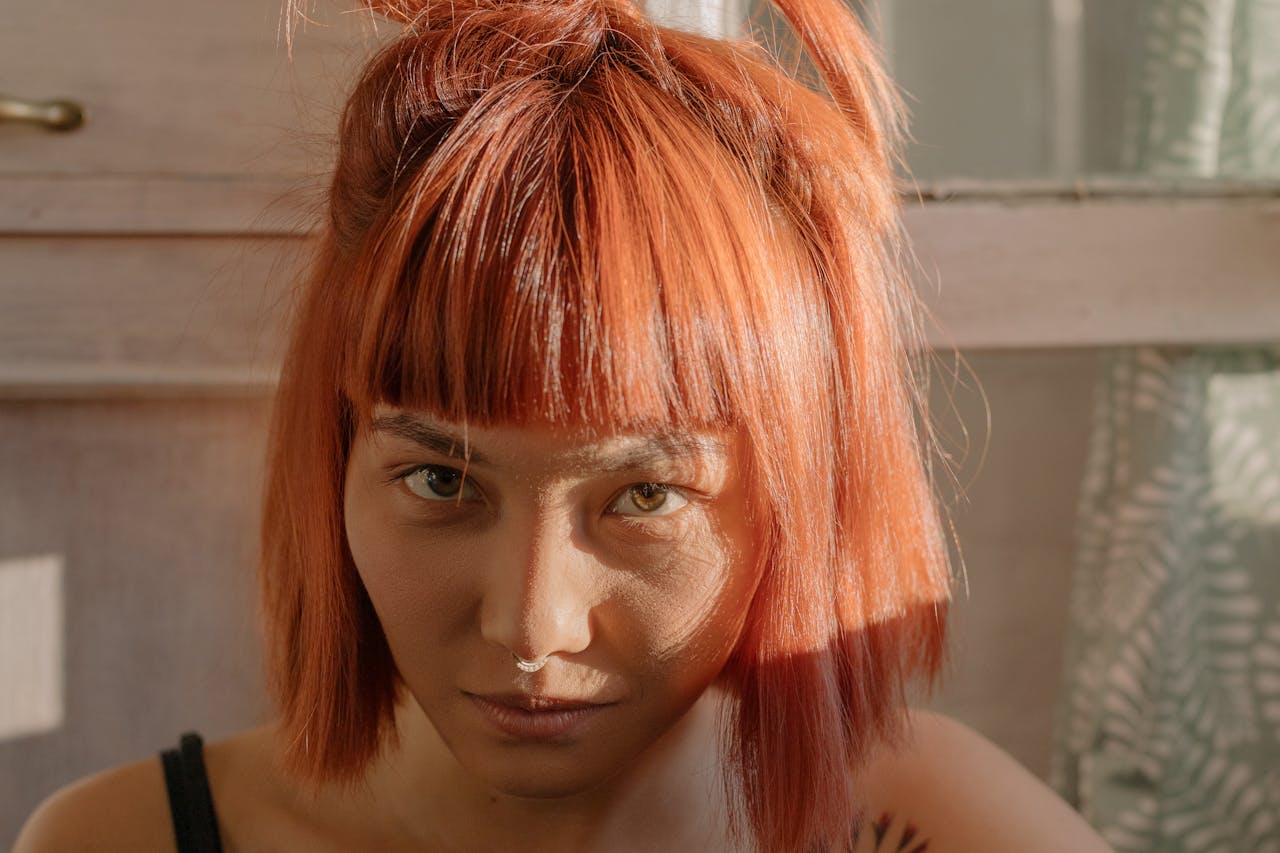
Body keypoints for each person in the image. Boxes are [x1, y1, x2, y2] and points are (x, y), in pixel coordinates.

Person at [15, 0, 1114, 850]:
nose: (532, 629)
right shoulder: (125, 840)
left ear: (795, 491)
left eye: (642, 494)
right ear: (336, 453)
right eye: (441, 482)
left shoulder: (951, 829)